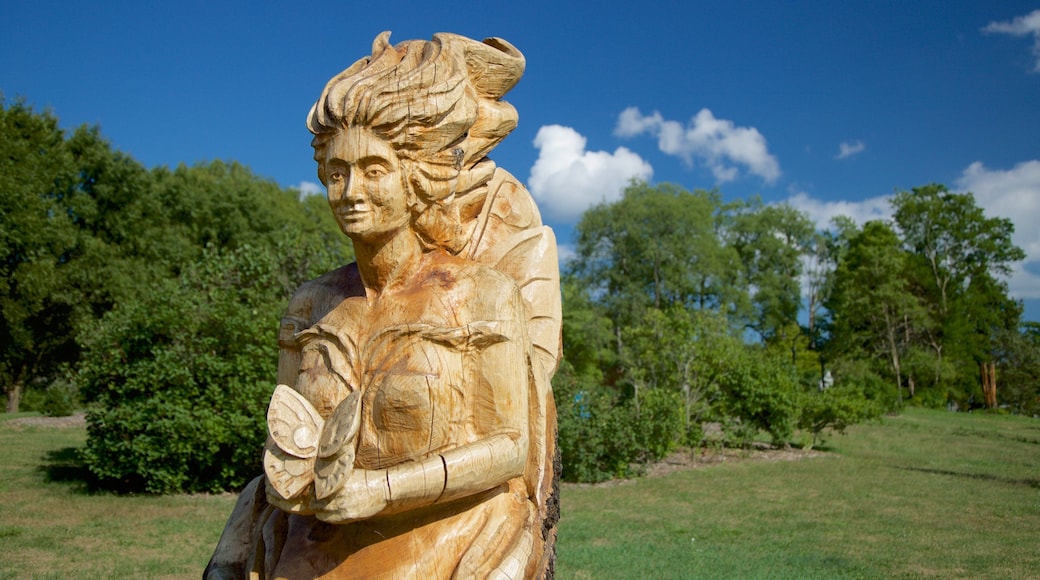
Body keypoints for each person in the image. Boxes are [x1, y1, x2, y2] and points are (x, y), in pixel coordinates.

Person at [205, 32, 561, 579]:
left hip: (446, 529)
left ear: (415, 176)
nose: (349, 191)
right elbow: (282, 435)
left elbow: (511, 447)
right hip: (317, 540)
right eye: (336, 173)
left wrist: (382, 490)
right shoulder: (311, 304)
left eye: (374, 170)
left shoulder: (481, 294)